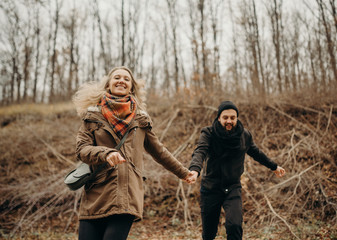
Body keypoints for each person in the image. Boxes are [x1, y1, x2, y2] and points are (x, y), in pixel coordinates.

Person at [73, 66, 195, 240]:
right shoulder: (92, 117)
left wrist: (183, 172)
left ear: (131, 87)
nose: (121, 81)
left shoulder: (140, 120)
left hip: (126, 195)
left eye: (126, 79)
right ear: (108, 84)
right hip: (96, 194)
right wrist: (105, 153)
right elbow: (81, 149)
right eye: (117, 77)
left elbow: (159, 151)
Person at [187, 100, 285, 240]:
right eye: (225, 117)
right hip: (211, 188)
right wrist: (195, 170)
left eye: (232, 118)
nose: (229, 121)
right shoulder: (208, 133)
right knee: (209, 233)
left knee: (234, 226)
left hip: (232, 187)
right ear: (219, 117)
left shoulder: (244, 135)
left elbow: (256, 153)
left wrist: (274, 166)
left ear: (236, 118)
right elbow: (200, 152)